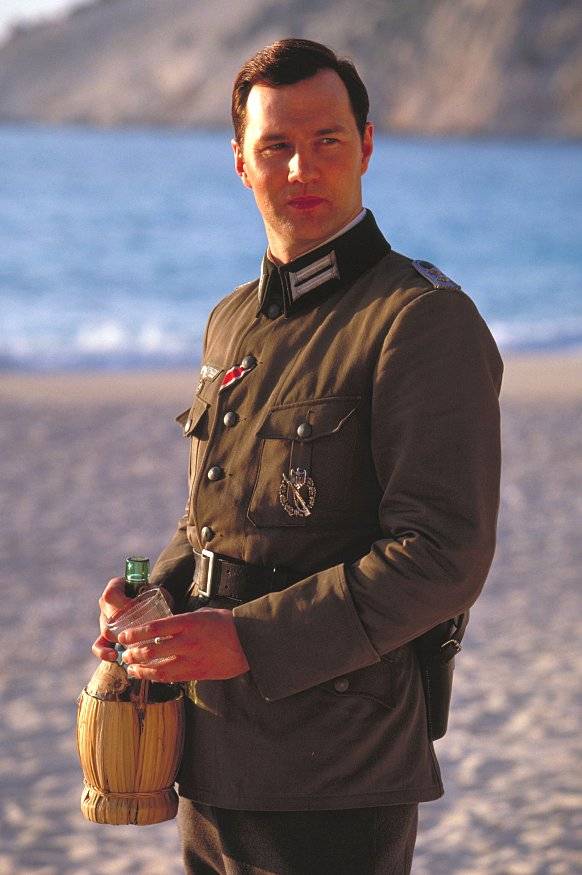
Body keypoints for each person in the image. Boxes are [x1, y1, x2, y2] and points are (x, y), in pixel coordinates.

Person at [93, 38, 503, 874]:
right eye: (275, 144)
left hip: (339, 767)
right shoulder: (231, 319)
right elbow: (215, 519)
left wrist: (247, 639)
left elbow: (443, 555)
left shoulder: (420, 319)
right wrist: (151, 599)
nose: (301, 168)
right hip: (209, 752)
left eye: (327, 141)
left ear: (368, 146)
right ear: (240, 161)